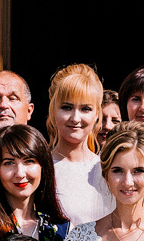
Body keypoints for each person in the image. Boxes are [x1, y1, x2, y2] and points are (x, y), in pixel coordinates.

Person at [47, 63, 113, 223]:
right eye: (66, 107)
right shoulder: (39, 169)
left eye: (85, 109)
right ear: (53, 111)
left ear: (97, 114)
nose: (75, 118)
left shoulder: (109, 169)